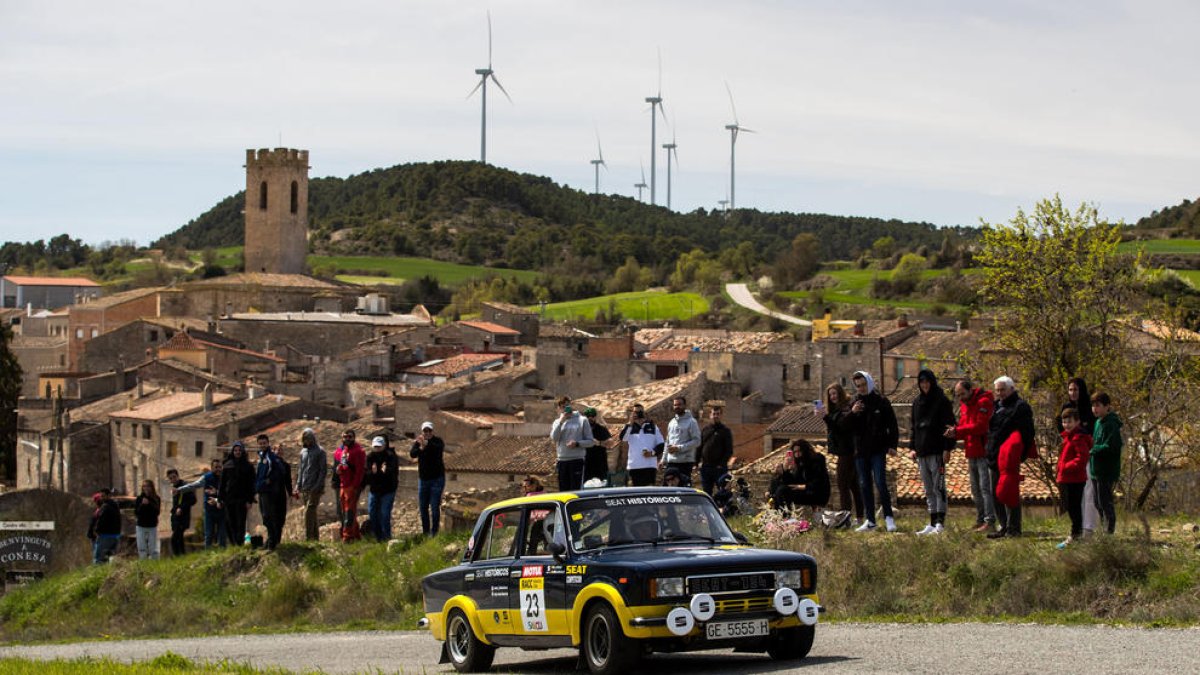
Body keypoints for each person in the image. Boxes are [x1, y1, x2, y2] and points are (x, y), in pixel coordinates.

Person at [848, 370, 899, 532]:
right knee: (864, 485)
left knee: (880, 482)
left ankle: (889, 517)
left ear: (869, 383)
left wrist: (892, 445)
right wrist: (853, 412)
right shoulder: (854, 402)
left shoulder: (881, 401)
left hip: (878, 449)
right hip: (860, 451)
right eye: (858, 386)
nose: (861, 388)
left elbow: (892, 425)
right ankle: (870, 520)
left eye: (863, 385)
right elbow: (847, 425)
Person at [986, 376, 1035, 538]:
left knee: (1009, 492)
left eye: (1003, 390)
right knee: (995, 493)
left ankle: (1014, 528)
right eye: (997, 390)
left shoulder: (1020, 407)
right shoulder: (995, 406)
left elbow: (1028, 433)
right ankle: (1003, 526)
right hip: (994, 456)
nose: (1000, 393)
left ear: (1012, 389)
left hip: (1009, 458)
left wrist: (1020, 455)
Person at [910, 369, 956, 535]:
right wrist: (912, 448)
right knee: (928, 489)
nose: (924, 385)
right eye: (921, 382)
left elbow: (950, 426)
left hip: (937, 451)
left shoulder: (942, 401)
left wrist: (947, 448)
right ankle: (932, 521)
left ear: (932, 382)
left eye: (927, 381)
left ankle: (940, 523)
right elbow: (914, 427)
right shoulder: (917, 402)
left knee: (939, 487)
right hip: (922, 452)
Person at [946, 379, 996, 532]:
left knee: (985, 488)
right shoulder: (964, 405)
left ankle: (990, 521)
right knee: (975, 489)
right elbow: (964, 426)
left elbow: (981, 427)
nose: (960, 397)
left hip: (983, 451)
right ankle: (981, 519)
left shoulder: (984, 402)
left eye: (962, 394)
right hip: (971, 450)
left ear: (970, 390)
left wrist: (959, 431)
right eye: (958, 395)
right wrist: (954, 432)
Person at [1056, 378, 1101, 537]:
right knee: (1074, 499)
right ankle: (1078, 527)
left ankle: (1088, 527)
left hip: (1086, 454)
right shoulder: (1066, 407)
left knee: (1088, 492)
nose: (1073, 393)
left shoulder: (1089, 408)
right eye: (1070, 390)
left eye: (1076, 389)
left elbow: (1092, 430)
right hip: (1070, 453)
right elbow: (1060, 426)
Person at [820, 383, 863, 524]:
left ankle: (846, 518)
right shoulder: (836, 409)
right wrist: (826, 416)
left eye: (834, 393)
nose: (832, 396)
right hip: (845, 451)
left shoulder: (847, 407)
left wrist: (825, 417)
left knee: (843, 484)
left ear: (840, 393)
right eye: (830, 394)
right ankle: (859, 518)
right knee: (854, 485)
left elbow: (841, 427)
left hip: (848, 451)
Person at [1056, 408, 1092, 549]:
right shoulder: (1068, 437)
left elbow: (1082, 458)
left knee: (1074, 507)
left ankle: (1075, 534)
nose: (1066, 425)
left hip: (1075, 479)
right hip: (1067, 478)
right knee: (1071, 507)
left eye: (1069, 422)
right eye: (1064, 422)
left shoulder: (1078, 438)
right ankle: (1075, 534)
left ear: (1077, 422)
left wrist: (1065, 467)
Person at [1089, 391, 1124, 535]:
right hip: (1095, 469)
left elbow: (1112, 446)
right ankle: (1104, 527)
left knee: (1105, 501)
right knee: (1097, 502)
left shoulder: (1111, 424)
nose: (1095, 409)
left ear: (1107, 406)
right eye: (1093, 406)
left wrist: (1094, 450)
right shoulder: (1098, 423)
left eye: (1098, 405)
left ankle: (1109, 530)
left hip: (1106, 470)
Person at [176, 458, 227, 548]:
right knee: (209, 534)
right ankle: (207, 553)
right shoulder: (206, 478)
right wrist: (179, 489)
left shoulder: (225, 478)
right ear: (212, 468)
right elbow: (194, 485)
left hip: (222, 510)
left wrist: (217, 495)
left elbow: (228, 493)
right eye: (216, 467)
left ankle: (222, 552)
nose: (218, 469)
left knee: (222, 535)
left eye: (220, 467)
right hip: (209, 511)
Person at [769, 440, 831, 511]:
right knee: (777, 484)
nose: (797, 454)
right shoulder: (800, 464)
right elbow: (793, 481)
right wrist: (785, 470)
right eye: (795, 452)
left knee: (782, 491)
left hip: (817, 494)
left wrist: (803, 486)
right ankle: (776, 509)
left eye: (799, 451)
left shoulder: (817, 459)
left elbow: (820, 481)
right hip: (805, 492)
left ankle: (784, 515)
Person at [549, 396, 594, 491]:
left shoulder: (582, 420)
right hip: (562, 461)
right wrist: (561, 422)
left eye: (567, 406)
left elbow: (590, 442)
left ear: (571, 405)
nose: (565, 408)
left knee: (576, 490)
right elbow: (554, 438)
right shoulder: (557, 422)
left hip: (577, 460)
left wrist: (577, 443)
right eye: (563, 407)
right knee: (563, 491)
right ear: (559, 408)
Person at [255, 434, 290, 550]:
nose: (262, 445)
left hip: (269, 492)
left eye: (264, 443)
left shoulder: (271, 457)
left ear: (268, 443)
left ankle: (272, 541)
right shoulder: (261, 457)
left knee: (269, 516)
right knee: (265, 517)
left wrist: (269, 480)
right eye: (260, 443)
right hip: (262, 491)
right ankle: (271, 540)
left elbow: (281, 471)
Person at [410, 421, 445, 536]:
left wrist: (427, 444)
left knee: (434, 507)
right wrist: (421, 447)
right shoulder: (419, 443)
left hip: (437, 479)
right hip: (423, 480)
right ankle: (425, 532)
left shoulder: (438, 441)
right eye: (425, 431)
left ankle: (434, 532)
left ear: (432, 431)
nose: (427, 433)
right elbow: (412, 454)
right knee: (423, 507)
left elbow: (438, 450)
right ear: (422, 431)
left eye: (429, 430)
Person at [219, 441, 256, 546]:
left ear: (243, 452)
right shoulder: (227, 465)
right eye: (235, 450)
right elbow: (222, 483)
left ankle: (239, 542)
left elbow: (251, 484)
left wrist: (250, 500)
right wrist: (220, 498)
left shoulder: (248, 466)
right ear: (233, 452)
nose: (237, 452)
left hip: (242, 498)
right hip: (229, 498)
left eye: (239, 450)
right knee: (231, 521)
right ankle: (234, 542)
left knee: (241, 521)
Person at [294, 427, 327, 542]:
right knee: (312, 514)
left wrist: (317, 486)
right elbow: (301, 470)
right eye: (305, 439)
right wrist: (297, 486)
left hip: (315, 487)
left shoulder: (320, 451)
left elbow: (323, 471)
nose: (307, 440)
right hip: (305, 487)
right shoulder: (303, 452)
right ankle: (315, 539)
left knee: (309, 511)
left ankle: (308, 538)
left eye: (308, 438)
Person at [620, 402, 664, 487]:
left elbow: (661, 445)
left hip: (649, 467)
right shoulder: (629, 427)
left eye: (640, 412)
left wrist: (652, 453)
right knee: (633, 493)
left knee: (648, 492)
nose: (638, 414)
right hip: (634, 467)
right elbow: (623, 438)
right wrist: (630, 423)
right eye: (635, 412)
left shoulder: (653, 427)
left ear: (644, 413)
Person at [334, 427, 367, 542]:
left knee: (349, 512)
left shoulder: (358, 451)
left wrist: (355, 486)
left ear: (354, 438)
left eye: (349, 437)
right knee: (346, 511)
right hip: (343, 484)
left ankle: (347, 537)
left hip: (351, 486)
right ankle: (356, 535)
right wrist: (339, 469)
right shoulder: (343, 451)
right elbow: (344, 465)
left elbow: (360, 471)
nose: (347, 439)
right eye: (345, 437)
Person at [366, 435, 400, 541]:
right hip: (374, 490)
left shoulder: (391, 456)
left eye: (379, 447)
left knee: (385, 513)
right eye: (375, 447)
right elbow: (366, 474)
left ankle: (386, 537)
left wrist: (386, 471)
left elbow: (393, 473)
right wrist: (373, 472)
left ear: (384, 446)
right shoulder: (370, 457)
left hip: (388, 490)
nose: (377, 449)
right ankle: (378, 537)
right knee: (372, 512)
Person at [663, 397, 701, 487]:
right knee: (668, 490)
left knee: (683, 489)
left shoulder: (692, 422)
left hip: (685, 463)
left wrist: (679, 448)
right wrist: (663, 459)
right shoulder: (671, 422)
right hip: (671, 462)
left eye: (679, 404)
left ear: (685, 406)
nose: (677, 407)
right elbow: (667, 442)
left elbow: (697, 441)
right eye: (675, 405)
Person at [698, 405, 735, 495]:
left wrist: (721, 464)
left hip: (719, 468)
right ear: (710, 415)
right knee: (706, 492)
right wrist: (697, 462)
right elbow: (699, 447)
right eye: (714, 414)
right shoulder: (705, 430)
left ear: (721, 415)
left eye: (718, 414)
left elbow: (729, 450)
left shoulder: (725, 431)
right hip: (706, 467)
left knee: (722, 492)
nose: (715, 416)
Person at [166, 468, 196, 557]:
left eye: (174, 477)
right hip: (176, 518)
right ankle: (182, 556)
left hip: (183, 517)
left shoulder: (185, 486)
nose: (173, 479)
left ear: (178, 476)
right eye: (170, 478)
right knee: (179, 538)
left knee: (174, 539)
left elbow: (193, 500)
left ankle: (177, 556)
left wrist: (181, 508)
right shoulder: (174, 487)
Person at [87, 488, 122, 564]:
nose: (101, 498)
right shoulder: (115, 506)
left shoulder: (105, 507)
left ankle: (98, 572)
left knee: (99, 560)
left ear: (109, 495)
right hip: (115, 536)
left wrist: (97, 531)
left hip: (105, 536)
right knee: (109, 559)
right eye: (101, 496)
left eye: (103, 496)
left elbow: (101, 521)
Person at [582, 407, 613, 485]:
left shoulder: (601, 428)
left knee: (602, 486)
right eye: (588, 416)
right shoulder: (581, 430)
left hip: (600, 464)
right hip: (586, 464)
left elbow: (610, 443)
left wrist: (599, 443)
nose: (590, 418)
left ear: (595, 417)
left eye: (592, 416)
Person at [133, 479, 161, 559]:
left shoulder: (156, 498)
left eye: (148, 486)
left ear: (152, 487)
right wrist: (142, 504)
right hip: (141, 525)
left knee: (153, 547)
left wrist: (149, 504)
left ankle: (155, 562)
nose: (146, 488)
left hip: (152, 525)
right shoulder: (139, 498)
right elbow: (136, 512)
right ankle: (143, 562)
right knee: (142, 547)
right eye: (144, 486)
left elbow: (157, 512)